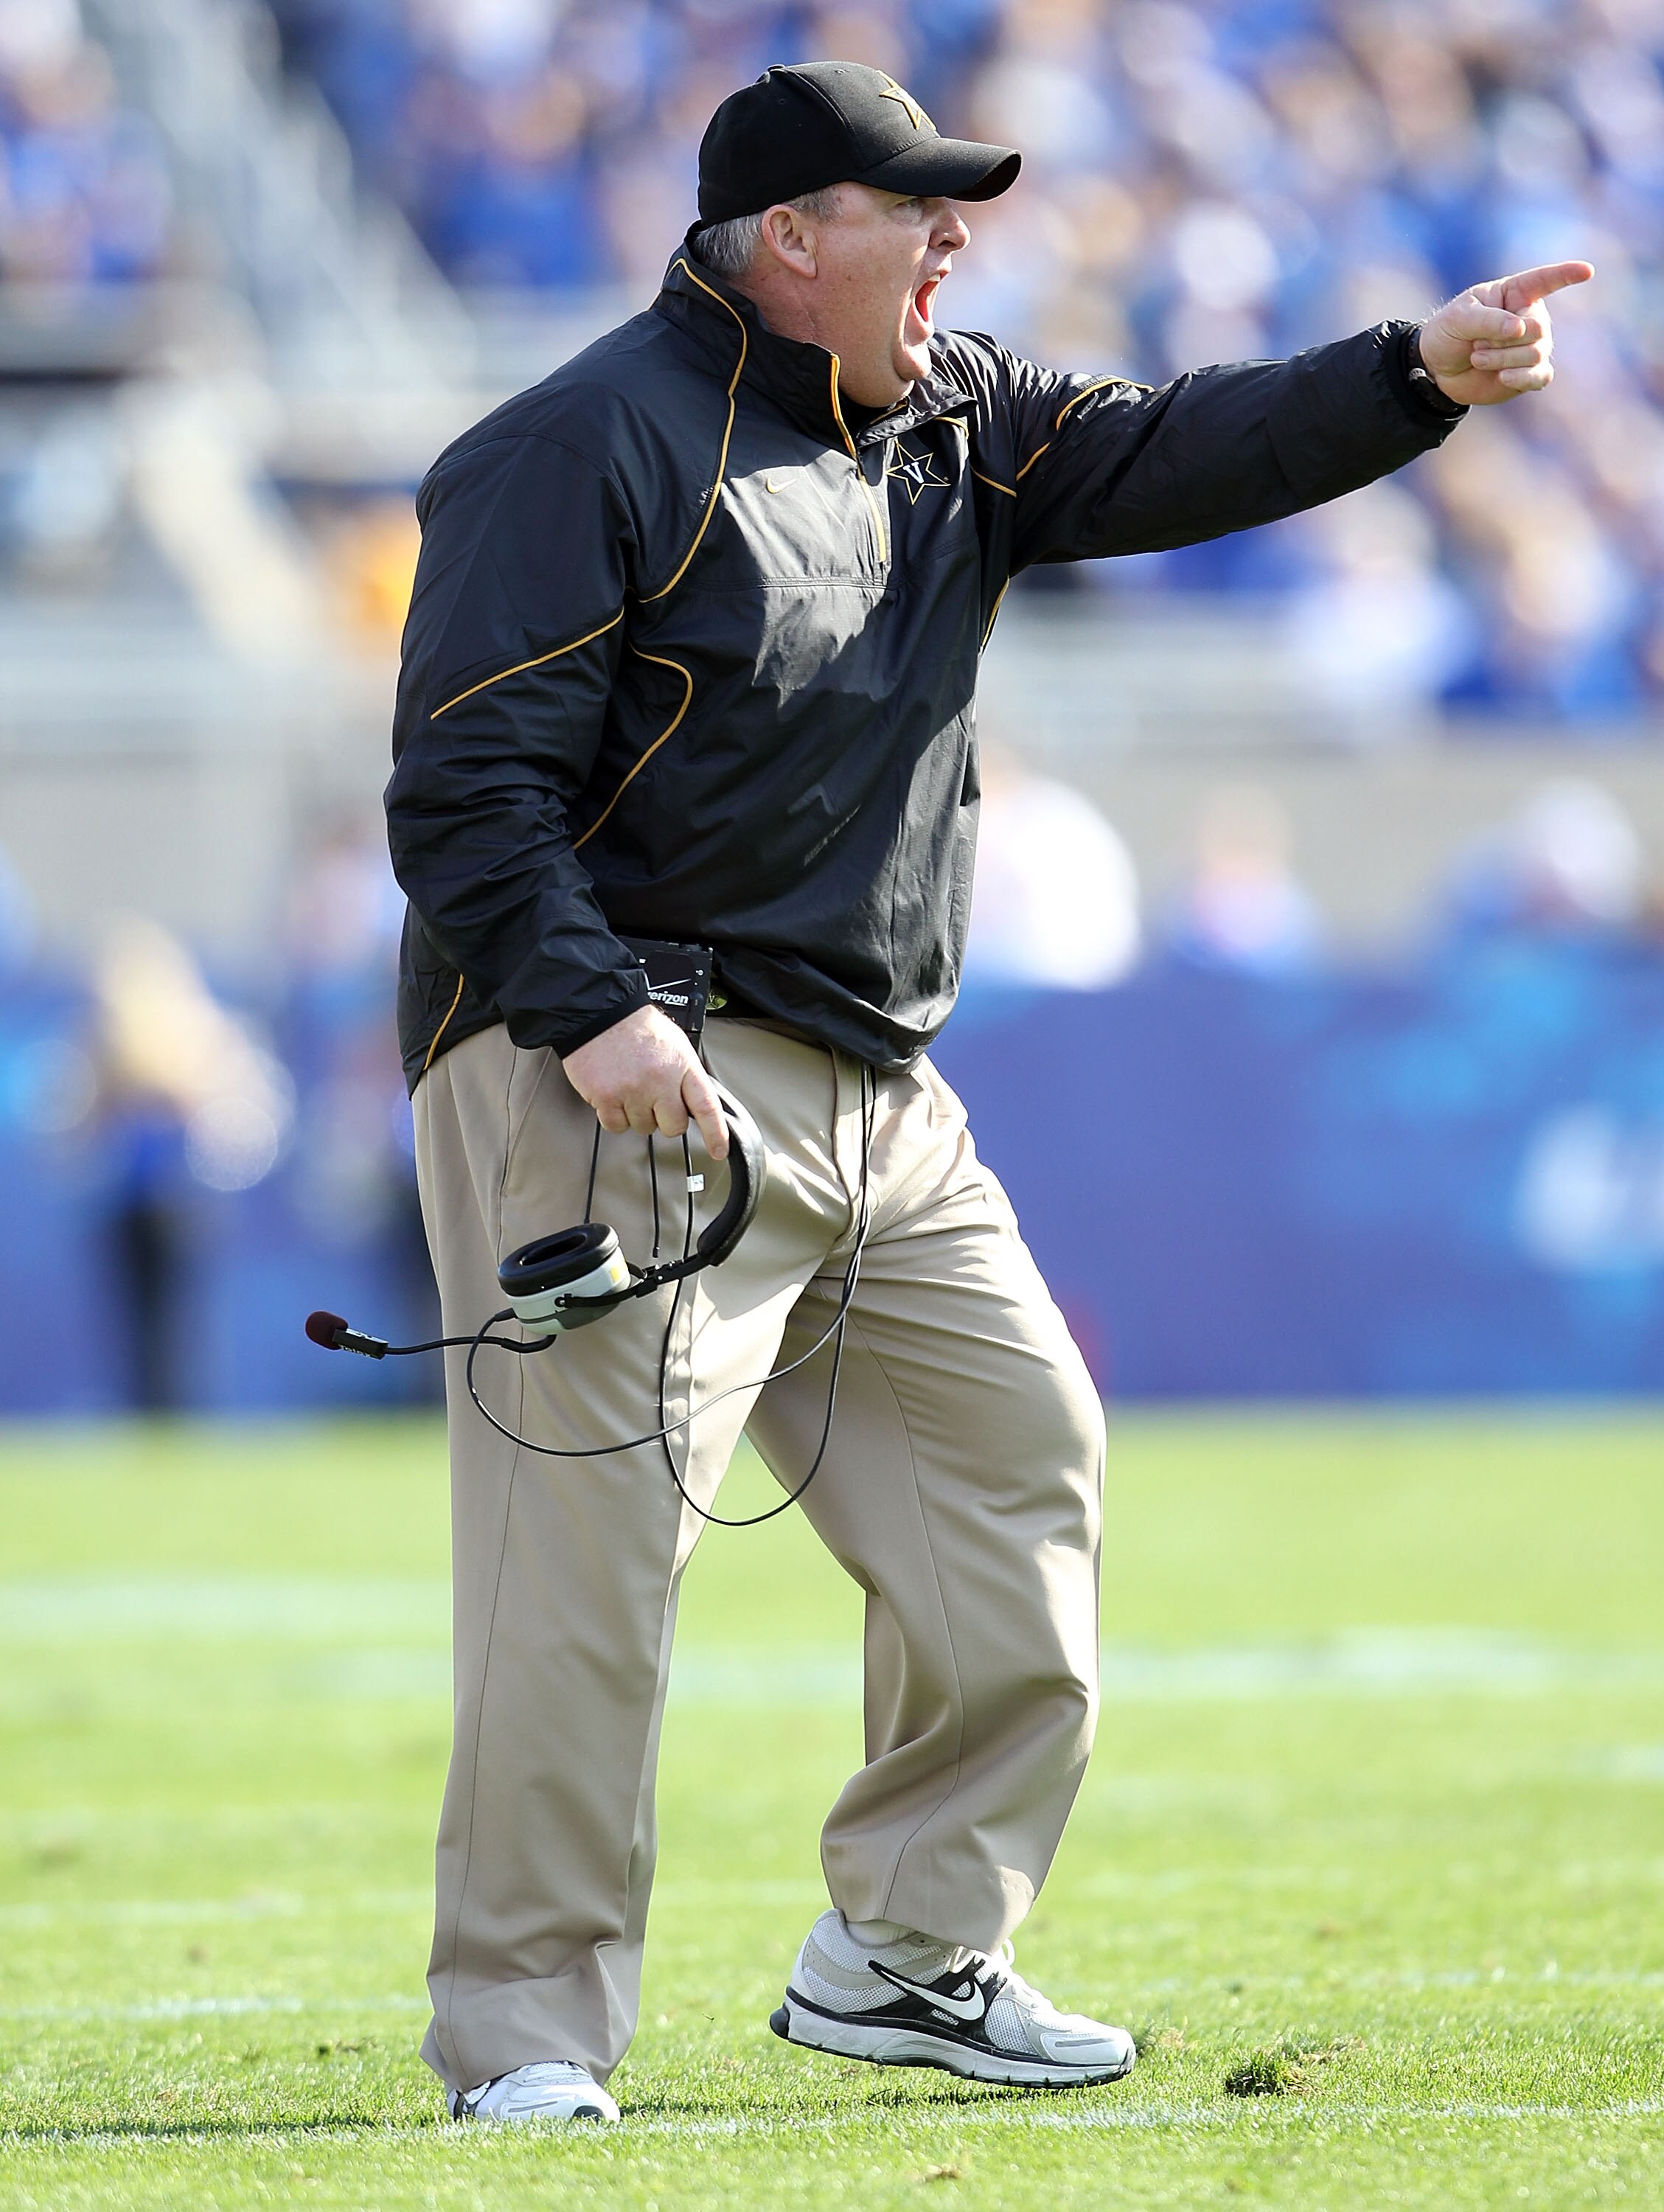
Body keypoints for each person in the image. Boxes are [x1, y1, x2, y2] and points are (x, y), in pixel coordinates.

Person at [385, 59, 1588, 2126]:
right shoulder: (576, 441)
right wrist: (591, 1015)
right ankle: (527, 2038)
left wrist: (1412, 374)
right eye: (914, 207)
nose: (957, 238)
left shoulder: (956, 416)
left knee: (1020, 1470)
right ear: (788, 239)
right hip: (629, 1080)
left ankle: (909, 1948)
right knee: (581, 1582)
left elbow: (1185, 444)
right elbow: (463, 786)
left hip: (877, 1083)